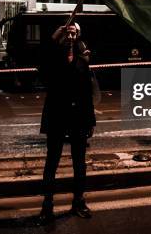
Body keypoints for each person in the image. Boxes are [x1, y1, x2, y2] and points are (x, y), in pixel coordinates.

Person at [38, 22, 96, 224]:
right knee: (51, 162)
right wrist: (53, 38)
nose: (70, 37)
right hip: (56, 116)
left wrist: (90, 121)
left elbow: (88, 92)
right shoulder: (53, 56)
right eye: (67, 33)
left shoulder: (83, 58)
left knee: (79, 163)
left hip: (79, 117)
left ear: (78, 35)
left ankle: (78, 201)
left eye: (73, 33)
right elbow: (41, 63)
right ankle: (47, 206)